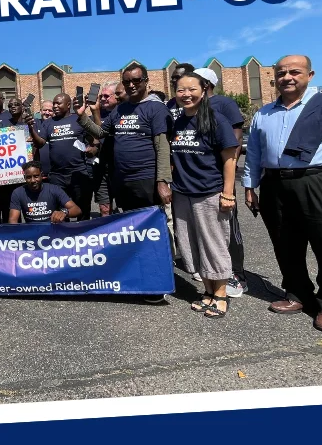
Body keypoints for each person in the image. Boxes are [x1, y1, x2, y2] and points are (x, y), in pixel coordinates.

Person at [242, 55, 322, 334]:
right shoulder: (263, 113)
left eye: (295, 72)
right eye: (281, 72)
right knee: (285, 243)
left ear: (310, 75)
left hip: (317, 181)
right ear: (273, 78)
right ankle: (298, 293)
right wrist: (250, 186)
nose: (287, 77)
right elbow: (253, 152)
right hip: (274, 184)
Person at [77, 66, 172, 304]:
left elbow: (162, 146)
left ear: (146, 81)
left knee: (152, 233)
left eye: (136, 80)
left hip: (146, 179)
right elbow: (102, 132)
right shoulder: (121, 109)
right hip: (122, 180)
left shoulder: (155, 108)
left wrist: (162, 181)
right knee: (132, 233)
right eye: (127, 81)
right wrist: (83, 116)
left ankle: (157, 282)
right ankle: (139, 279)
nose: (131, 84)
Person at [169, 72, 242, 319]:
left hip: (209, 192)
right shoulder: (177, 122)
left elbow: (230, 159)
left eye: (191, 89)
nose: (186, 95)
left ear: (203, 90)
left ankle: (220, 294)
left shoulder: (216, 119)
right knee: (191, 245)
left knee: (213, 244)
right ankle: (207, 292)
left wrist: (228, 194)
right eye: (180, 90)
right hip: (182, 193)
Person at [189, 67, 249, 292]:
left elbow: (235, 139)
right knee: (204, 231)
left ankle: (237, 274)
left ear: (206, 84)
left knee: (228, 228)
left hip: (219, 178)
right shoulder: (191, 108)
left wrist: (228, 183)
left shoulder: (223, 104)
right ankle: (212, 272)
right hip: (195, 182)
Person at [26, 93, 92, 220]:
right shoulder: (49, 123)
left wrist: (92, 149)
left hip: (78, 172)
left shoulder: (78, 119)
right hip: (57, 175)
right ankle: (64, 237)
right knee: (59, 212)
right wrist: (31, 129)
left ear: (68, 105)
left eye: (58, 103)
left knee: (82, 210)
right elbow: (40, 143)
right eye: (54, 103)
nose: (54, 106)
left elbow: (93, 139)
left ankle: (84, 237)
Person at [8, 162, 81, 223]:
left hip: (54, 230)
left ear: (42, 175)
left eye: (36, 176)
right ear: (24, 178)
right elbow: (13, 220)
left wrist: (64, 212)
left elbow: (77, 210)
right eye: (29, 177)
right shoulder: (18, 193)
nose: (33, 180)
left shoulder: (54, 189)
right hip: (32, 233)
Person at [93, 83, 120, 217]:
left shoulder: (123, 113)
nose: (103, 99)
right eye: (100, 96)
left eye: (106, 96)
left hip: (120, 169)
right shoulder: (96, 113)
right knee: (104, 210)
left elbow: (103, 133)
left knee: (126, 208)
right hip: (102, 169)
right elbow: (96, 137)